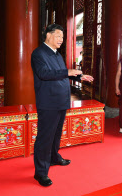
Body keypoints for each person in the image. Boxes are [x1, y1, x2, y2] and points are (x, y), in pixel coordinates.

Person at [31, 24, 94, 187]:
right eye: (58, 36)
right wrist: (68, 72)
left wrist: (79, 77)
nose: (61, 39)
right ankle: (41, 172)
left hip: (61, 101)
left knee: (56, 134)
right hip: (48, 102)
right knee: (45, 137)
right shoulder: (38, 54)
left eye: (62, 37)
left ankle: (53, 157)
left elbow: (62, 74)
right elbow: (44, 74)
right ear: (48, 35)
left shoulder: (57, 55)